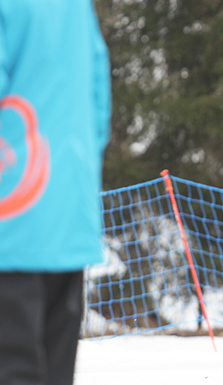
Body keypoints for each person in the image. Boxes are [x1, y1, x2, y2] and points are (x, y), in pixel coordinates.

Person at [0, 1, 112, 384]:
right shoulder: (74, 6)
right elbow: (98, 104)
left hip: (11, 226)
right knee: (52, 371)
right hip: (67, 217)